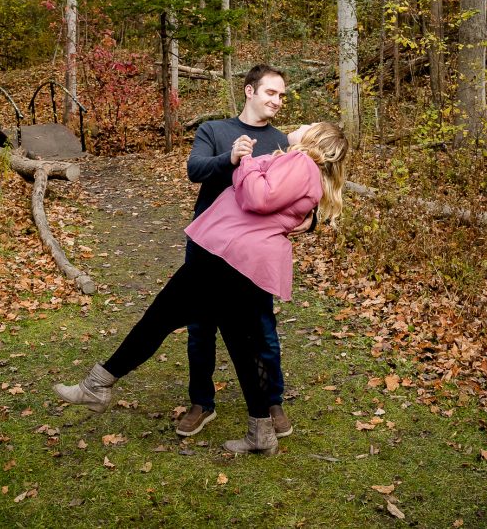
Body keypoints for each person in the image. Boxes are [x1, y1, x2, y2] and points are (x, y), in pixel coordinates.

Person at [54, 122, 348, 455]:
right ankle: (261, 432)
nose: (301, 124)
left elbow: (255, 196)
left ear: (316, 139)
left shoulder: (301, 164)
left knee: (161, 316)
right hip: (239, 261)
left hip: (229, 258)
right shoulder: (306, 173)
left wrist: (246, 161)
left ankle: (98, 383)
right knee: (241, 346)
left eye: (309, 125)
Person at [178, 64, 294, 439]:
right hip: (208, 246)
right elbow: (194, 170)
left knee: (262, 328)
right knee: (200, 326)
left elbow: (297, 193)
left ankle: (271, 401)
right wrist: (228, 159)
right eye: (271, 93)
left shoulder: (282, 142)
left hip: (253, 254)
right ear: (249, 91)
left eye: (281, 95)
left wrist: (312, 222)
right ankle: (201, 402)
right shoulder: (214, 130)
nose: (278, 101)